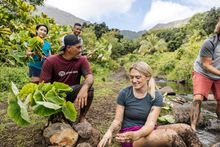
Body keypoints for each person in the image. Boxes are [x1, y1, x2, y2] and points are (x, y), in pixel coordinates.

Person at [98, 61, 202, 147]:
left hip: (145, 131)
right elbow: (117, 120)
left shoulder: (156, 95)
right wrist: (109, 132)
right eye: (131, 77)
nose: (134, 80)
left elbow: (150, 124)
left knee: (186, 129)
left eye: (138, 77)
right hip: (129, 134)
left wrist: (137, 134)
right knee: (171, 136)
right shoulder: (124, 93)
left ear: (147, 77)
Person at [40, 34, 94, 123]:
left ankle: (82, 118)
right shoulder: (51, 61)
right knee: (57, 121)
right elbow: (43, 85)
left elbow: (90, 77)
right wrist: (53, 99)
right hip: (55, 95)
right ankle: (55, 115)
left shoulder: (82, 60)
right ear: (68, 48)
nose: (80, 50)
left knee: (90, 89)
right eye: (78, 47)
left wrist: (84, 88)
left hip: (72, 92)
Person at [190, 20, 220, 131]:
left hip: (218, 76)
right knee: (198, 98)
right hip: (203, 72)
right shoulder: (210, 43)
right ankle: (193, 126)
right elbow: (206, 65)